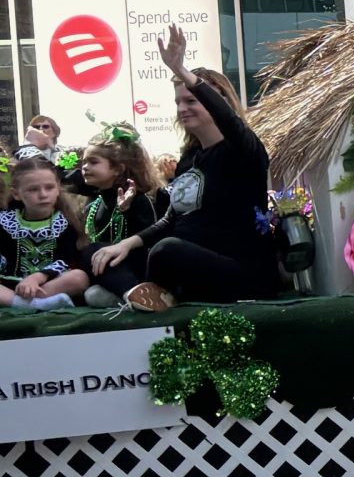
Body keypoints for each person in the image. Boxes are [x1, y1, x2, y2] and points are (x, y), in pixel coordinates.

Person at [82, 27, 280, 312]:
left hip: (238, 269)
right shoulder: (190, 158)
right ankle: (137, 294)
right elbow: (171, 219)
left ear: (217, 101)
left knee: (167, 251)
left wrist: (183, 71)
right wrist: (127, 244)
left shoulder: (243, 150)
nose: (182, 108)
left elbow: (229, 120)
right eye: (178, 101)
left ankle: (139, 294)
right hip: (183, 260)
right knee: (97, 251)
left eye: (191, 100)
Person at [69, 127, 165, 308]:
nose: (85, 167)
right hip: (103, 272)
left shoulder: (139, 199)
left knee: (94, 250)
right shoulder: (92, 204)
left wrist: (127, 211)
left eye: (93, 162)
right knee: (92, 291)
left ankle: (138, 293)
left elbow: (151, 239)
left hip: (135, 270)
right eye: (84, 162)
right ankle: (130, 298)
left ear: (117, 169)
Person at [1, 153, 87, 310]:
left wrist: (38, 277)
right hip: (9, 285)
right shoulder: (4, 221)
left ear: (57, 189)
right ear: (16, 194)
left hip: (49, 284)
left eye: (49, 187)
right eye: (33, 189)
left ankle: (27, 303)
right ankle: (30, 304)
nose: (43, 194)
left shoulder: (66, 221)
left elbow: (66, 259)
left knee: (79, 278)